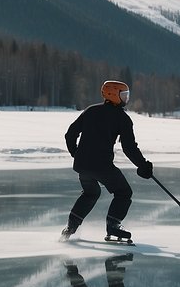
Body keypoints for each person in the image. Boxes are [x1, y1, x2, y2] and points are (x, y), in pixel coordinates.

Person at [61, 80, 154, 243]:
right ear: (113, 95)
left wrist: (77, 154)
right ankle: (113, 225)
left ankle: (71, 226)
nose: (126, 98)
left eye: (127, 95)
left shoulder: (90, 111)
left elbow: (70, 134)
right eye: (123, 95)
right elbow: (129, 147)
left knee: (91, 193)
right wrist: (143, 165)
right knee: (123, 193)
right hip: (102, 166)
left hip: (82, 166)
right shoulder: (122, 118)